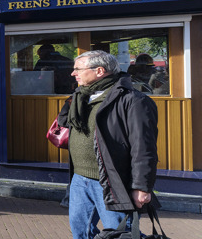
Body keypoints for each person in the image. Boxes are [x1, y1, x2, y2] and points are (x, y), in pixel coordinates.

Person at [58, 50, 158, 239]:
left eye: (78, 69)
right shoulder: (81, 96)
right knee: (81, 232)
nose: (73, 73)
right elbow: (64, 123)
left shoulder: (133, 101)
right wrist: (73, 99)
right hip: (79, 178)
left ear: (99, 71)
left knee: (119, 233)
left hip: (113, 181)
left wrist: (142, 187)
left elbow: (144, 148)